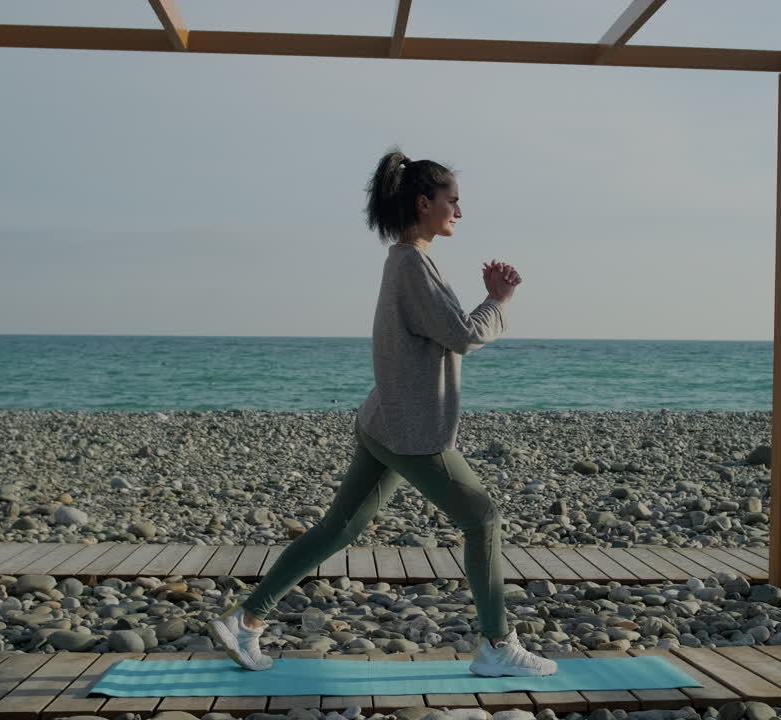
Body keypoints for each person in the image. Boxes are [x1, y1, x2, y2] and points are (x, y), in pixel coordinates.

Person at [210, 149, 558, 677]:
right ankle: (496, 644)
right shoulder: (413, 263)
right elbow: (462, 335)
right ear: (425, 202)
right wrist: (501, 300)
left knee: (339, 528)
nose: (460, 211)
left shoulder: (408, 259)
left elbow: (440, 329)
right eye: (453, 201)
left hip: (382, 420)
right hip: (410, 431)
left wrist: (487, 300)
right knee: (482, 517)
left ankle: (247, 621)